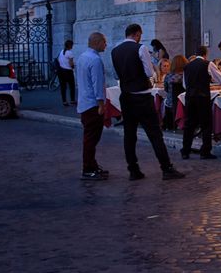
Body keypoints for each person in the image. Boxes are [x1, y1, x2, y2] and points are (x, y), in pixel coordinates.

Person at [111, 23, 184, 181]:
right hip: (142, 96)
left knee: (129, 135)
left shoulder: (115, 50)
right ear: (137, 34)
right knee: (155, 134)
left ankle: (133, 169)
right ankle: (166, 168)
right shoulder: (140, 48)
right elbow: (149, 72)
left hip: (126, 96)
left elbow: (116, 75)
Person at [182, 46, 221, 160]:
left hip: (189, 97)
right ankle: (205, 151)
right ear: (205, 54)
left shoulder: (187, 66)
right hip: (202, 97)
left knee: (189, 125)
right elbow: (220, 78)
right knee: (206, 124)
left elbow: (185, 84)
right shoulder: (208, 64)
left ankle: (185, 151)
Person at [76, 32, 109, 180]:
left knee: (90, 137)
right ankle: (88, 168)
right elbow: (98, 83)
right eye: (104, 42)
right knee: (91, 138)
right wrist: (101, 104)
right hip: (93, 104)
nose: (105, 45)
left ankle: (92, 164)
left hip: (84, 102)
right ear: (97, 42)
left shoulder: (82, 57)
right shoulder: (95, 60)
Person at [163, 55, 187, 130]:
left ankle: (169, 125)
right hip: (184, 103)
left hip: (171, 103)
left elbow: (166, 89)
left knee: (164, 101)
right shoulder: (185, 76)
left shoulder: (168, 76)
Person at [56, 40, 76, 106]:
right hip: (68, 71)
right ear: (70, 45)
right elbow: (71, 63)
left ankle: (64, 101)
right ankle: (72, 100)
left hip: (61, 71)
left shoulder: (62, 51)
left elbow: (58, 60)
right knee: (71, 86)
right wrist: (73, 66)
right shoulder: (70, 53)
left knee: (63, 87)